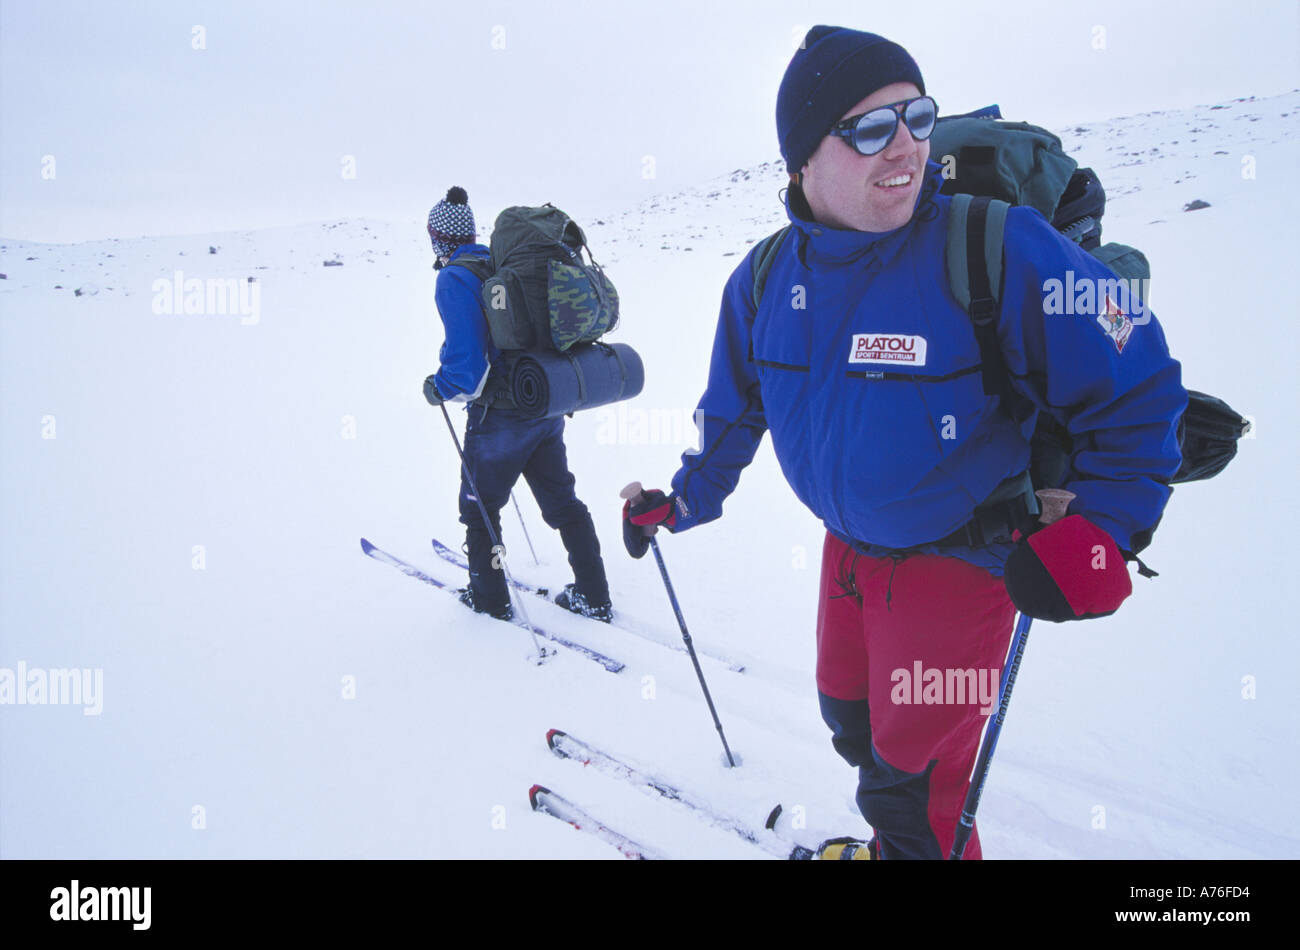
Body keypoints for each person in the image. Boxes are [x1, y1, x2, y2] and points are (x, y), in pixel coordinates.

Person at [622, 27, 1187, 859]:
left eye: (917, 117)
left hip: (964, 565)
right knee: (848, 719)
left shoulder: (997, 247)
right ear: (801, 158)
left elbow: (1139, 387)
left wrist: (1100, 538)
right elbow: (734, 413)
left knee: (917, 789)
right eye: (870, 128)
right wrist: (683, 501)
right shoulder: (764, 280)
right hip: (847, 556)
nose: (908, 148)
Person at [423, 186, 613, 623]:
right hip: (543, 398)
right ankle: (594, 594)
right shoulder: (500, 260)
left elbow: (467, 368)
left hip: (501, 415)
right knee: (563, 501)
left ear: (438, 239)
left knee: (479, 507)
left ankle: (489, 599)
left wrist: (439, 386)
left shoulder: (454, 277)